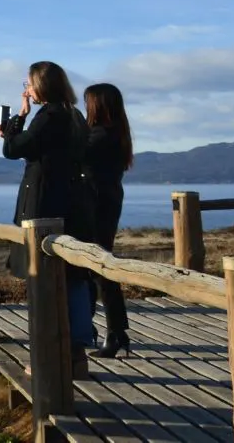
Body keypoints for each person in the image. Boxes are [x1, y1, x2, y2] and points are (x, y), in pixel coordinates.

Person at [0, 60, 98, 378]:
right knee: (73, 279)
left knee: (44, 281)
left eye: (27, 83)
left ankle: (47, 357)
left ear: (41, 85)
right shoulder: (75, 116)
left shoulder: (48, 117)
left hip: (45, 207)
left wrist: (17, 121)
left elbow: (12, 149)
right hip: (72, 206)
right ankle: (76, 354)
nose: (25, 89)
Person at [84, 82, 134, 359]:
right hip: (107, 200)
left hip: (98, 203)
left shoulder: (100, 136)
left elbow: (74, 155)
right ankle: (113, 332)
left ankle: (114, 333)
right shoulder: (115, 133)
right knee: (99, 267)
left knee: (100, 267)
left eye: (87, 102)